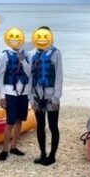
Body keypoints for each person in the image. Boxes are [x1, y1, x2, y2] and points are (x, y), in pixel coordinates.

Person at [29, 26, 63, 165]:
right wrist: (31, 98)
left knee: (53, 126)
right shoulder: (33, 54)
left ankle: (52, 156)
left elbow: (59, 76)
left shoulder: (56, 53)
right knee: (40, 126)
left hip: (51, 98)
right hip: (37, 98)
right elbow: (30, 77)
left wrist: (56, 97)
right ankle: (42, 153)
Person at [0, 27, 31, 161]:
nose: (16, 40)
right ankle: (5, 149)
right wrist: (2, 96)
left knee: (19, 120)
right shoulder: (5, 55)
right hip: (10, 92)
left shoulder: (26, 54)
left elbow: (29, 73)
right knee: (10, 121)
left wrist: (22, 60)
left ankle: (14, 147)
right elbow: (0, 76)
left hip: (24, 93)